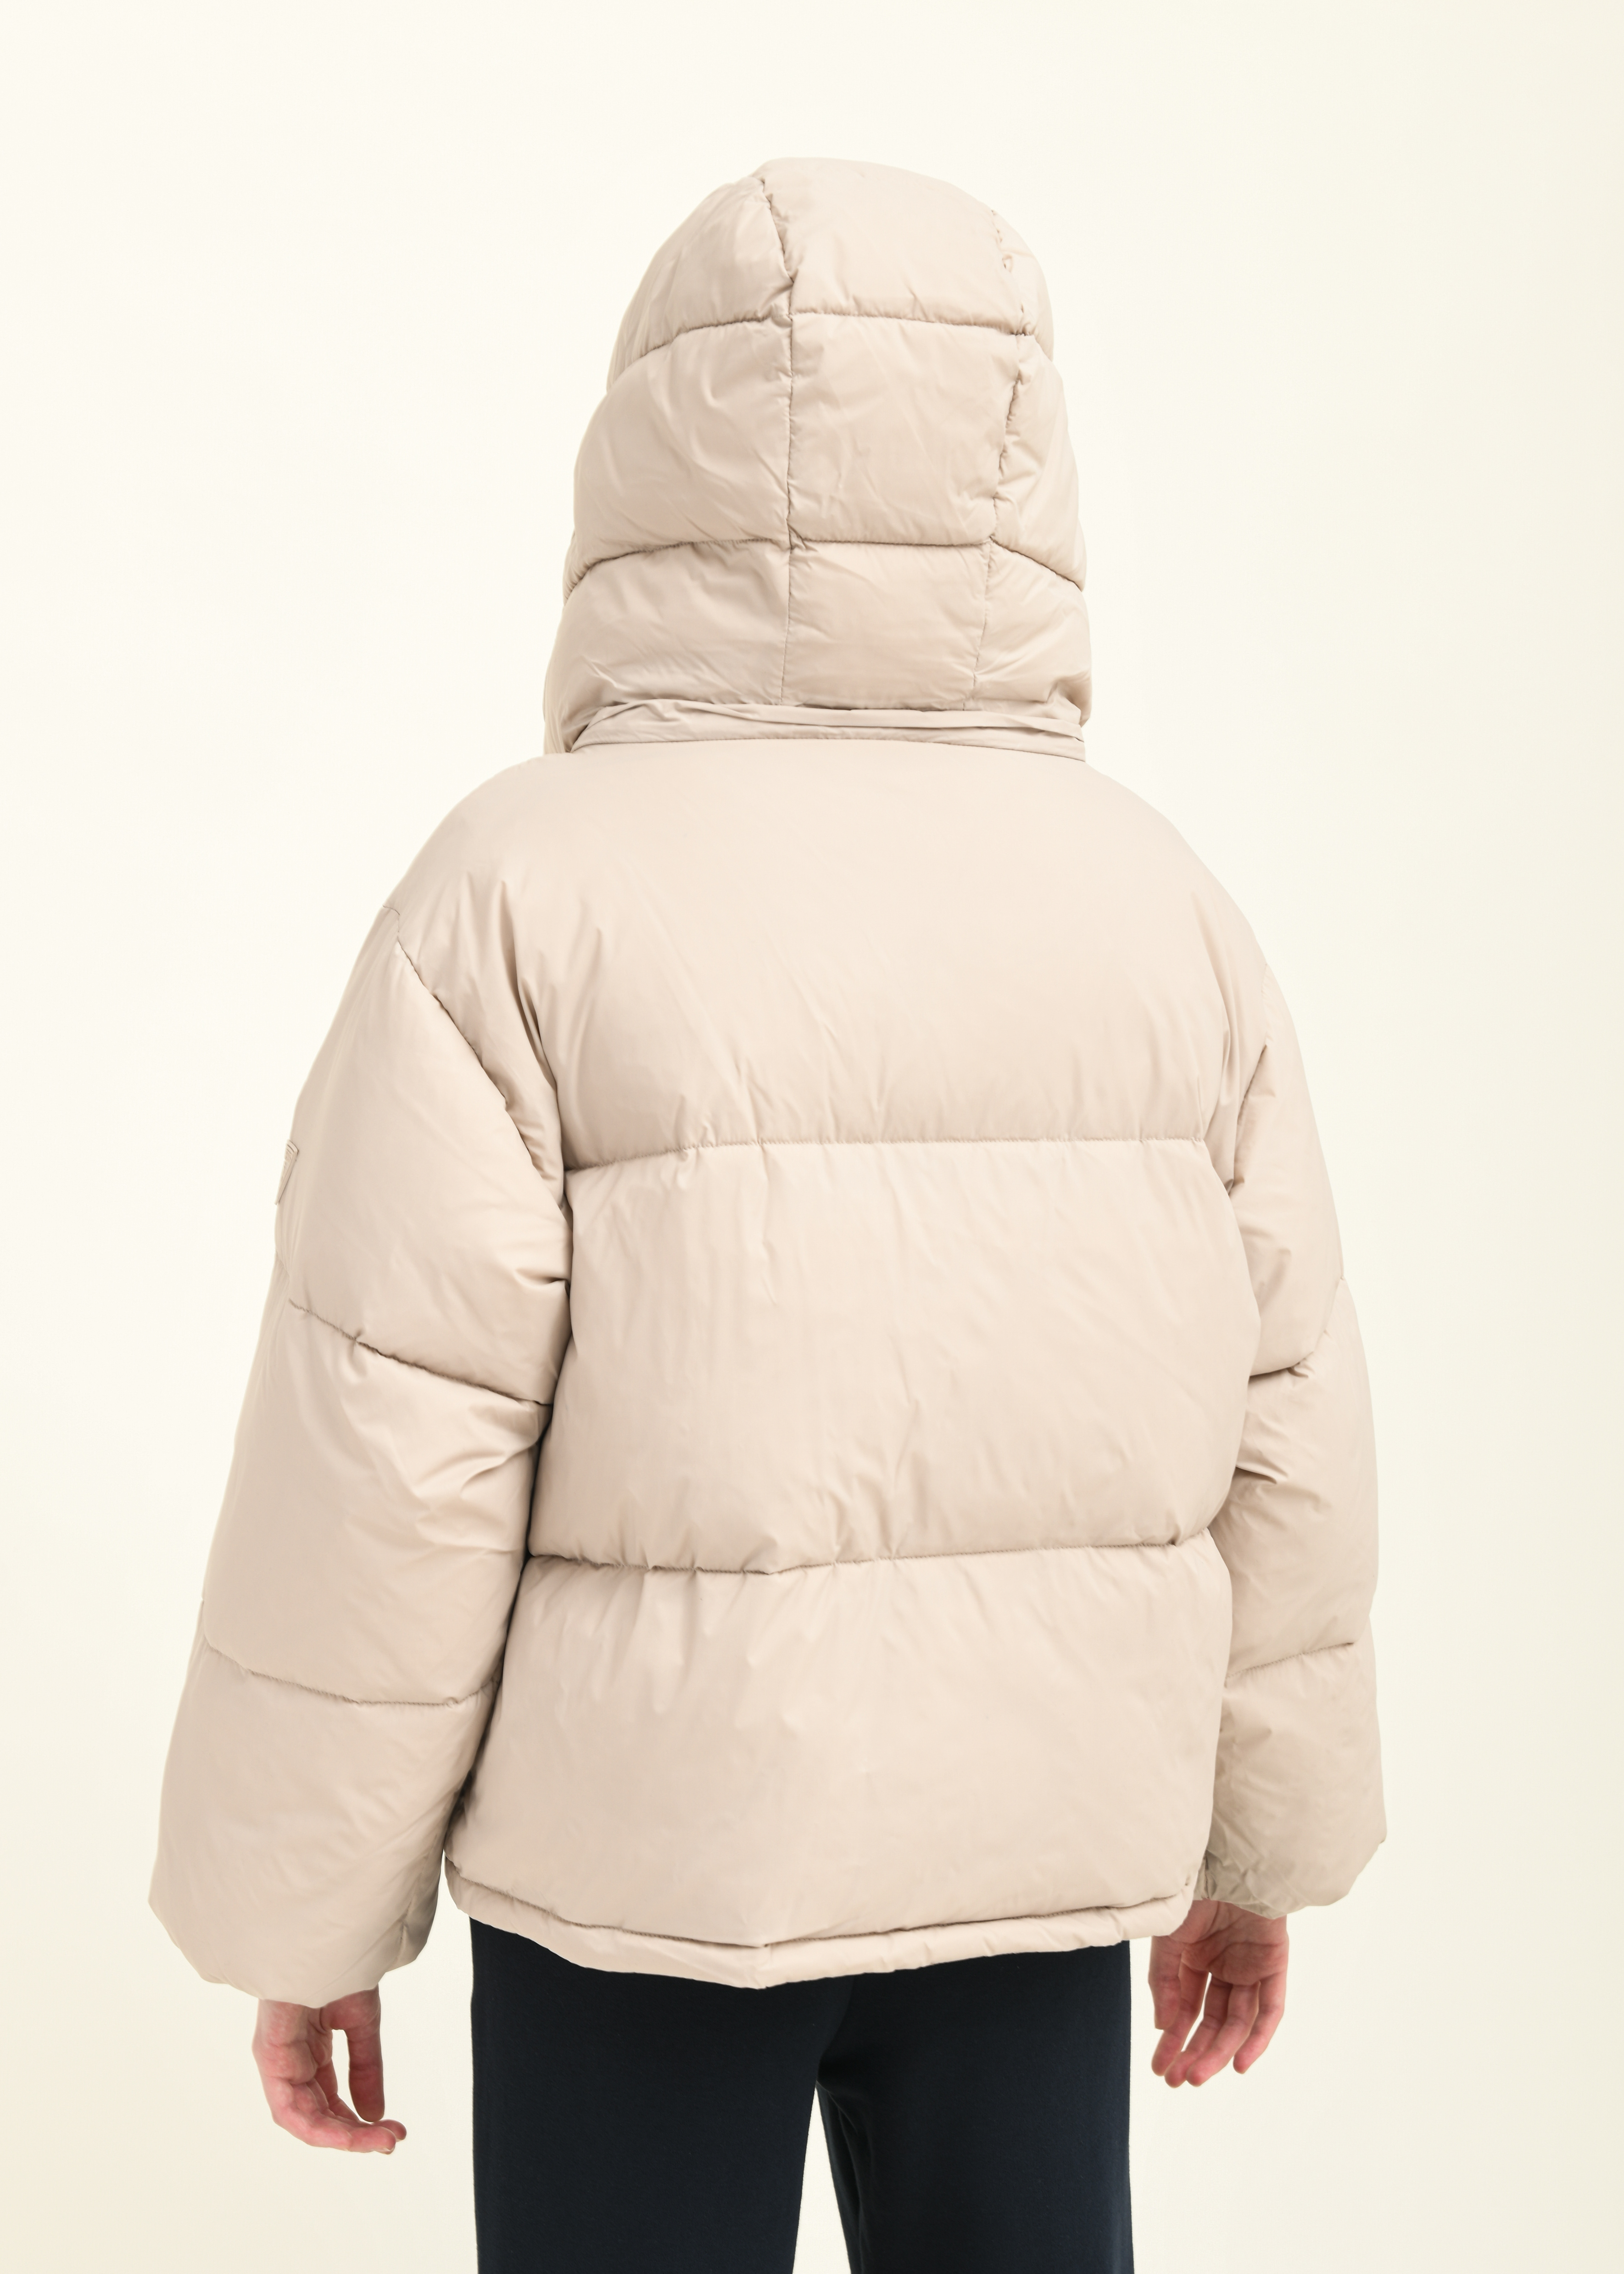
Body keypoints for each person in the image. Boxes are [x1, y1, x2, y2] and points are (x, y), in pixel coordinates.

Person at [152, 157, 1383, 2274]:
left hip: (643, 1881)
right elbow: (1292, 1417)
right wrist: (1257, 1842)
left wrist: (309, 1912)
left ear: (656, 445)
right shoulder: (1157, 902)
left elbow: (394, 1440)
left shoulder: (520, 888)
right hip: (1032, 1862)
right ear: (1015, 454)